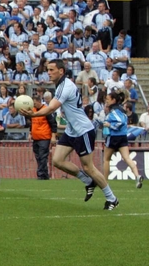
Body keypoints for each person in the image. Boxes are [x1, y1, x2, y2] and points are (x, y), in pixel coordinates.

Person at [21, 60, 119, 210]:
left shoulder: (65, 86)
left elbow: (51, 108)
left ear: (61, 71)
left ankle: (112, 198)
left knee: (89, 168)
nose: (49, 72)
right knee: (57, 160)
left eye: (52, 69)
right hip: (72, 129)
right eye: (48, 70)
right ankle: (88, 182)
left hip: (83, 130)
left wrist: (33, 114)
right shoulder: (61, 85)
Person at [102, 90, 143, 188]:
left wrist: (110, 125)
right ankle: (137, 176)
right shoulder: (121, 109)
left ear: (113, 100)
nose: (106, 101)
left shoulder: (114, 111)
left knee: (106, 159)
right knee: (127, 158)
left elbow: (120, 122)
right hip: (123, 137)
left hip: (114, 137)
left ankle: (105, 183)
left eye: (108, 99)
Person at [29, 93, 57, 180]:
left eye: (34, 103)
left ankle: (40, 174)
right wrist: (30, 133)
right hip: (36, 137)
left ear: (39, 101)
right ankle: (45, 174)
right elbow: (32, 123)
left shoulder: (46, 110)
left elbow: (53, 124)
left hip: (44, 137)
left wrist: (53, 136)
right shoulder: (33, 110)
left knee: (42, 156)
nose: (34, 105)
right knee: (38, 157)